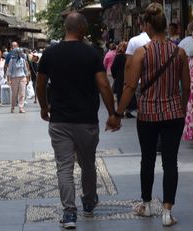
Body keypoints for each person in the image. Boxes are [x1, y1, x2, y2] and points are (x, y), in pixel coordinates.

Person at [35, 13, 117, 229]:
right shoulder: (91, 54)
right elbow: (103, 85)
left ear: (65, 28)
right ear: (81, 29)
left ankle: (69, 213)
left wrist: (44, 106)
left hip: (60, 120)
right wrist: (113, 113)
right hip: (86, 121)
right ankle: (89, 202)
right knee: (88, 163)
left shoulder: (50, 54)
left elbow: (40, 85)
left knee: (64, 167)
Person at [111, 3, 190, 227]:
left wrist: (117, 113)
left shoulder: (141, 53)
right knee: (170, 162)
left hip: (147, 114)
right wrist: (181, 108)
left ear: (148, 27)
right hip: (173, 113)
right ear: (166, 26)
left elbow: (129, 86)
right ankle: (167, 211)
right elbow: (187, 86)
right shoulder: (179, 52)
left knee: (147, 160)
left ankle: (146, 205)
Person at [110, 42, 134, 118]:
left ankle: (121, 111)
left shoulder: (118, 57)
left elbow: (113, 67)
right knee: (128, 92)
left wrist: (114, 76)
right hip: (128, 76)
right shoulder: (129, 57)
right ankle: (128, 111)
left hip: (120, 77)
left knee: (120, 94)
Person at [6, 47, 30, 113]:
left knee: (22, 93)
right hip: (14, 78)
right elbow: (9, 70)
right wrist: (9, 79)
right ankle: (13, 107)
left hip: (22, 77)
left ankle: (21, 108)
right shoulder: (11, 60)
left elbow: (25, 70)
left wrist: (27, 78)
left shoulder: (22, 60)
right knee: (14, 94)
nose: (20, 53)